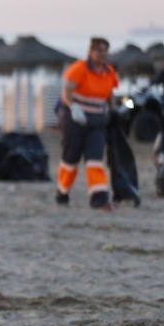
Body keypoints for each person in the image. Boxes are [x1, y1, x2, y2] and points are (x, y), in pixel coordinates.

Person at [56, 37, 119, 209]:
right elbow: (67, 90)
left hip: (98, 122)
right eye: (99, 50)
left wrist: (114, 110)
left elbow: (110, 94)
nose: (102, 54)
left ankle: (99, 199)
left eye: (105, 50)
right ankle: (62, 191)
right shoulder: (79, 68)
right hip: (75, 120)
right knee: (70, 160)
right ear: (91, 52)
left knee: (95, 161)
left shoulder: (109, 71)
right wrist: (72, 107)